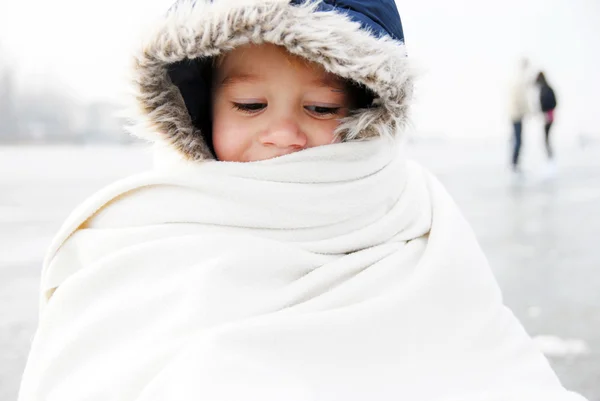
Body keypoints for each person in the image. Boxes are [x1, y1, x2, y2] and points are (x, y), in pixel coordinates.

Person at [18, 1, 586, 400]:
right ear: (197, 108)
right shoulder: (141, 235)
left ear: (367, 112)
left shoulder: (411, 219)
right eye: (249, 106)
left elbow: (480, 357)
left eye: (319, 108)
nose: (283, 134)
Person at [508, 58, 532, 173]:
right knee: (518, 140)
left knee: (516, 139)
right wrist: (528, 112)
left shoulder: (517, 79)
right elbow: (521, 100)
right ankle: (514, 163)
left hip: (514, 114)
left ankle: (514, 162)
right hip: (516, 115)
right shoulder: (520, 80)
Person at [536, 71, 558, 160]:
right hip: (548, 115)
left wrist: (545, 111)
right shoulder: (546, 88)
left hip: (548, 115)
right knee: (546, 137)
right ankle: (549, 156)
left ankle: (550, 156)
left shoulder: (546, 89)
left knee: (546, 137)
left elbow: (552, 102)